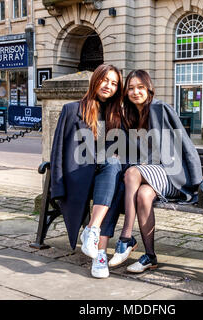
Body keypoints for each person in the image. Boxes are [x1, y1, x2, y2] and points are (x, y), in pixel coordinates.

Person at [107, 70, 203, 273]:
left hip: (170, 174)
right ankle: (150, 256)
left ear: (149, 88)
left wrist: (196, 183)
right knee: (143, 195)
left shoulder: (160, 109)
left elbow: (185, 143)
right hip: (150, 176)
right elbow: (131, 151)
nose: (135, 92)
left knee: (132, 173)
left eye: (140, 87)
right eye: (131, 88)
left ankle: (125, 237)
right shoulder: (131, 116)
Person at [49, 64, 126, 278]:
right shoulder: (72, 110)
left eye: (114, 83)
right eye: (105, 80)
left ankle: (95, 240)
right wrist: (58, 185)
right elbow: (58, 151)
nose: (108, 86)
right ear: (95, 80)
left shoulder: (117, 115)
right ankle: (98, 249)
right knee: (113, 181)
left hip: (106, 176)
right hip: (79, 177)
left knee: (113, 172)